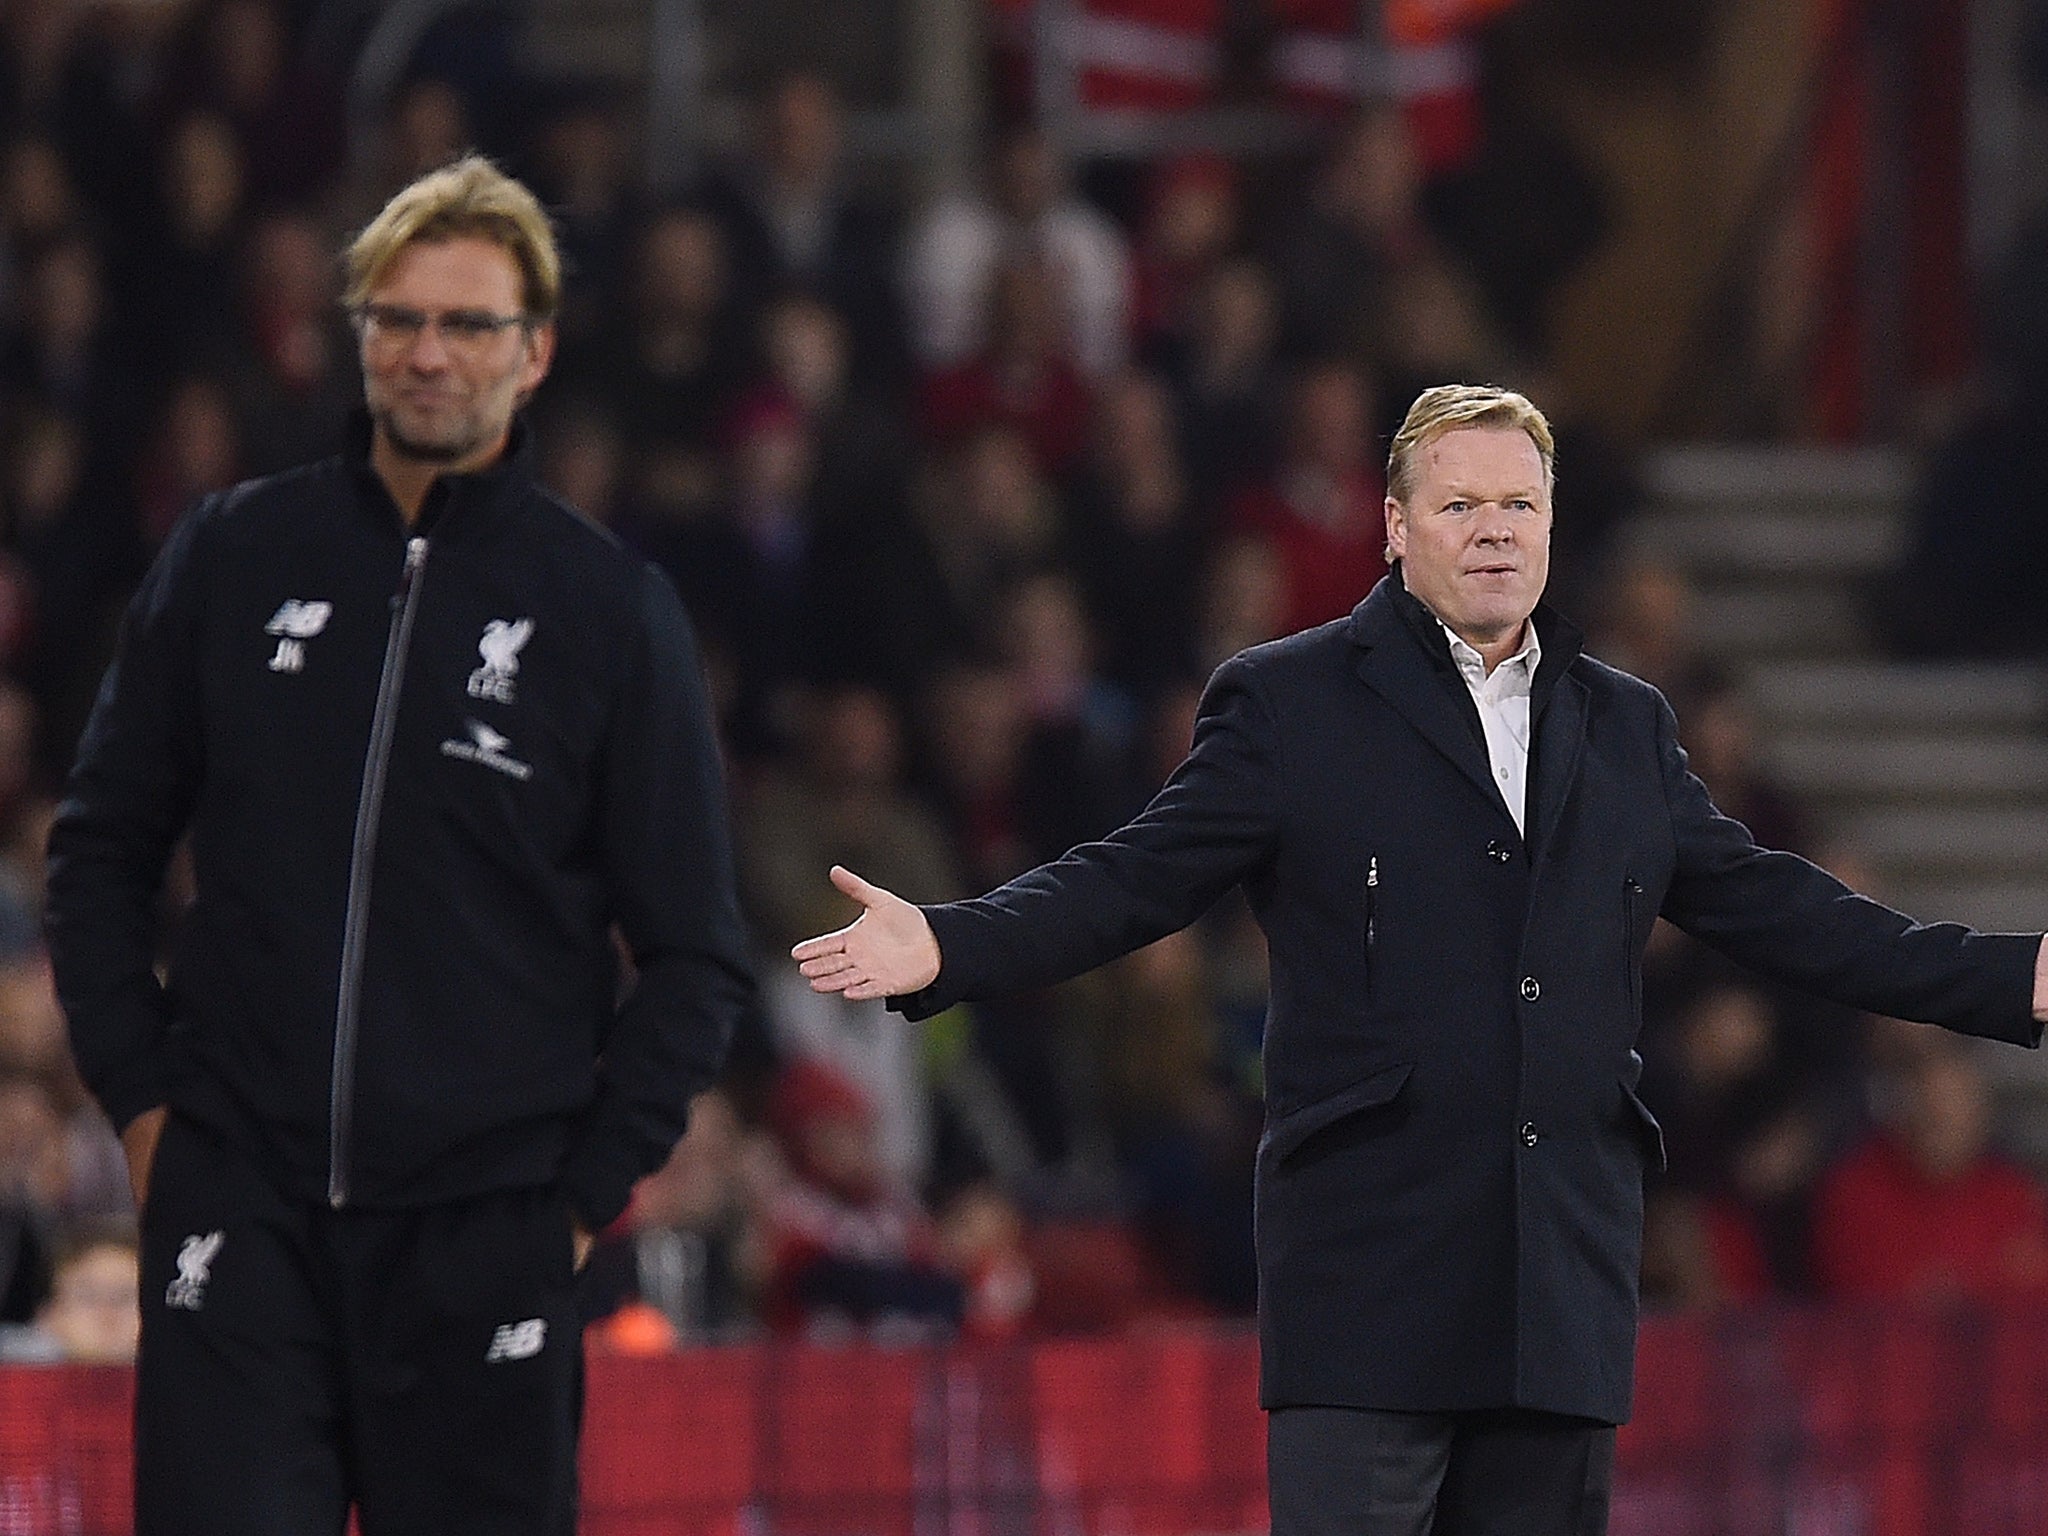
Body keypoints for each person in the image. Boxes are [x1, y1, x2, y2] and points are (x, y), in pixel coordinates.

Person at [793, 382, 2048, 1536]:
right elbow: (1131, 879)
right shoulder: (1288, 705)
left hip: (1556, 1295)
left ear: (1553, 528)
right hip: (1368, 1296)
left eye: (1519, 503)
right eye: (1459, 503)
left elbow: (1787, 912)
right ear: (1393, 528)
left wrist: (2011, 976)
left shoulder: (1625, 725)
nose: (1493, 528)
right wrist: (947, 943)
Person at [43, 156, 753, 1536]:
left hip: (485, 1231)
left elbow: (695, 957)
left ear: (535, 352)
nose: (427, 353)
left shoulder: (608, 612)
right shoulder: (234, 554)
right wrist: (144, 1112)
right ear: (356, 332)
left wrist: (574, 1201)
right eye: (395, 317)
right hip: (238, 1207)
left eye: (468, 324)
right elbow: (99, 849)